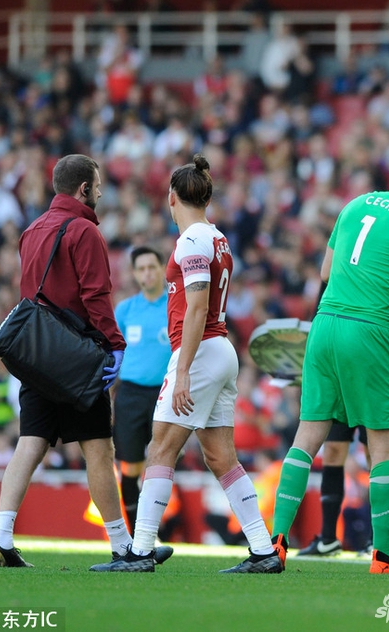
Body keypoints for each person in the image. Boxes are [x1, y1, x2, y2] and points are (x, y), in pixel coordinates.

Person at [94, 154, 280, 573]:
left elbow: (196, 309)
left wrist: (181, 370)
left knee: (160, 447)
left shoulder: (191, 240)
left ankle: (139, 552)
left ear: (172, 198)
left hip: (201, 349)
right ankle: (264, 550)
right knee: (220, 457)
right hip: (221, 349)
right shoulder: (217, 238)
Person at [0, 154, 171, 570]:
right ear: (84, 189)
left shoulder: (32, 229)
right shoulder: (84, 230)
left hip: (36, 354)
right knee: (99, 449)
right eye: (98, 185)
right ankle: (123, 546)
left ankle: (1, 535)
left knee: (29, 444)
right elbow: (95, 296)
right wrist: (115, 343)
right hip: (76, 358)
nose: (102, 192)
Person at [269, 141, 389, 574]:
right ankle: (382, 557)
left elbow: (325, 275)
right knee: (383, 445)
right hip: (370, 331)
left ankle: (273, 545)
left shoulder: (352, 205)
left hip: (325, 325)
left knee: (307, 438)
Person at [298, 303, 389, 557]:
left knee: (376, 457)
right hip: (341, 379)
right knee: (334, 450)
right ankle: (327, 538)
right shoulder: (340, 278)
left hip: (375, 382)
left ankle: (375, 542)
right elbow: (318, 318)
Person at [112, 246, 171, 534]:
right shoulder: (124, 310)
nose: (148, 273)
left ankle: (151, 531)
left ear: (162, 269)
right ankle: (137, 535)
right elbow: (113, 355)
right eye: (142, 269)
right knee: (131, 468)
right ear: (135, 274)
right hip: (131, 395)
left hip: (165, 393)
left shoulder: (175, 306)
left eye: (152, 267)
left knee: (161, 465)